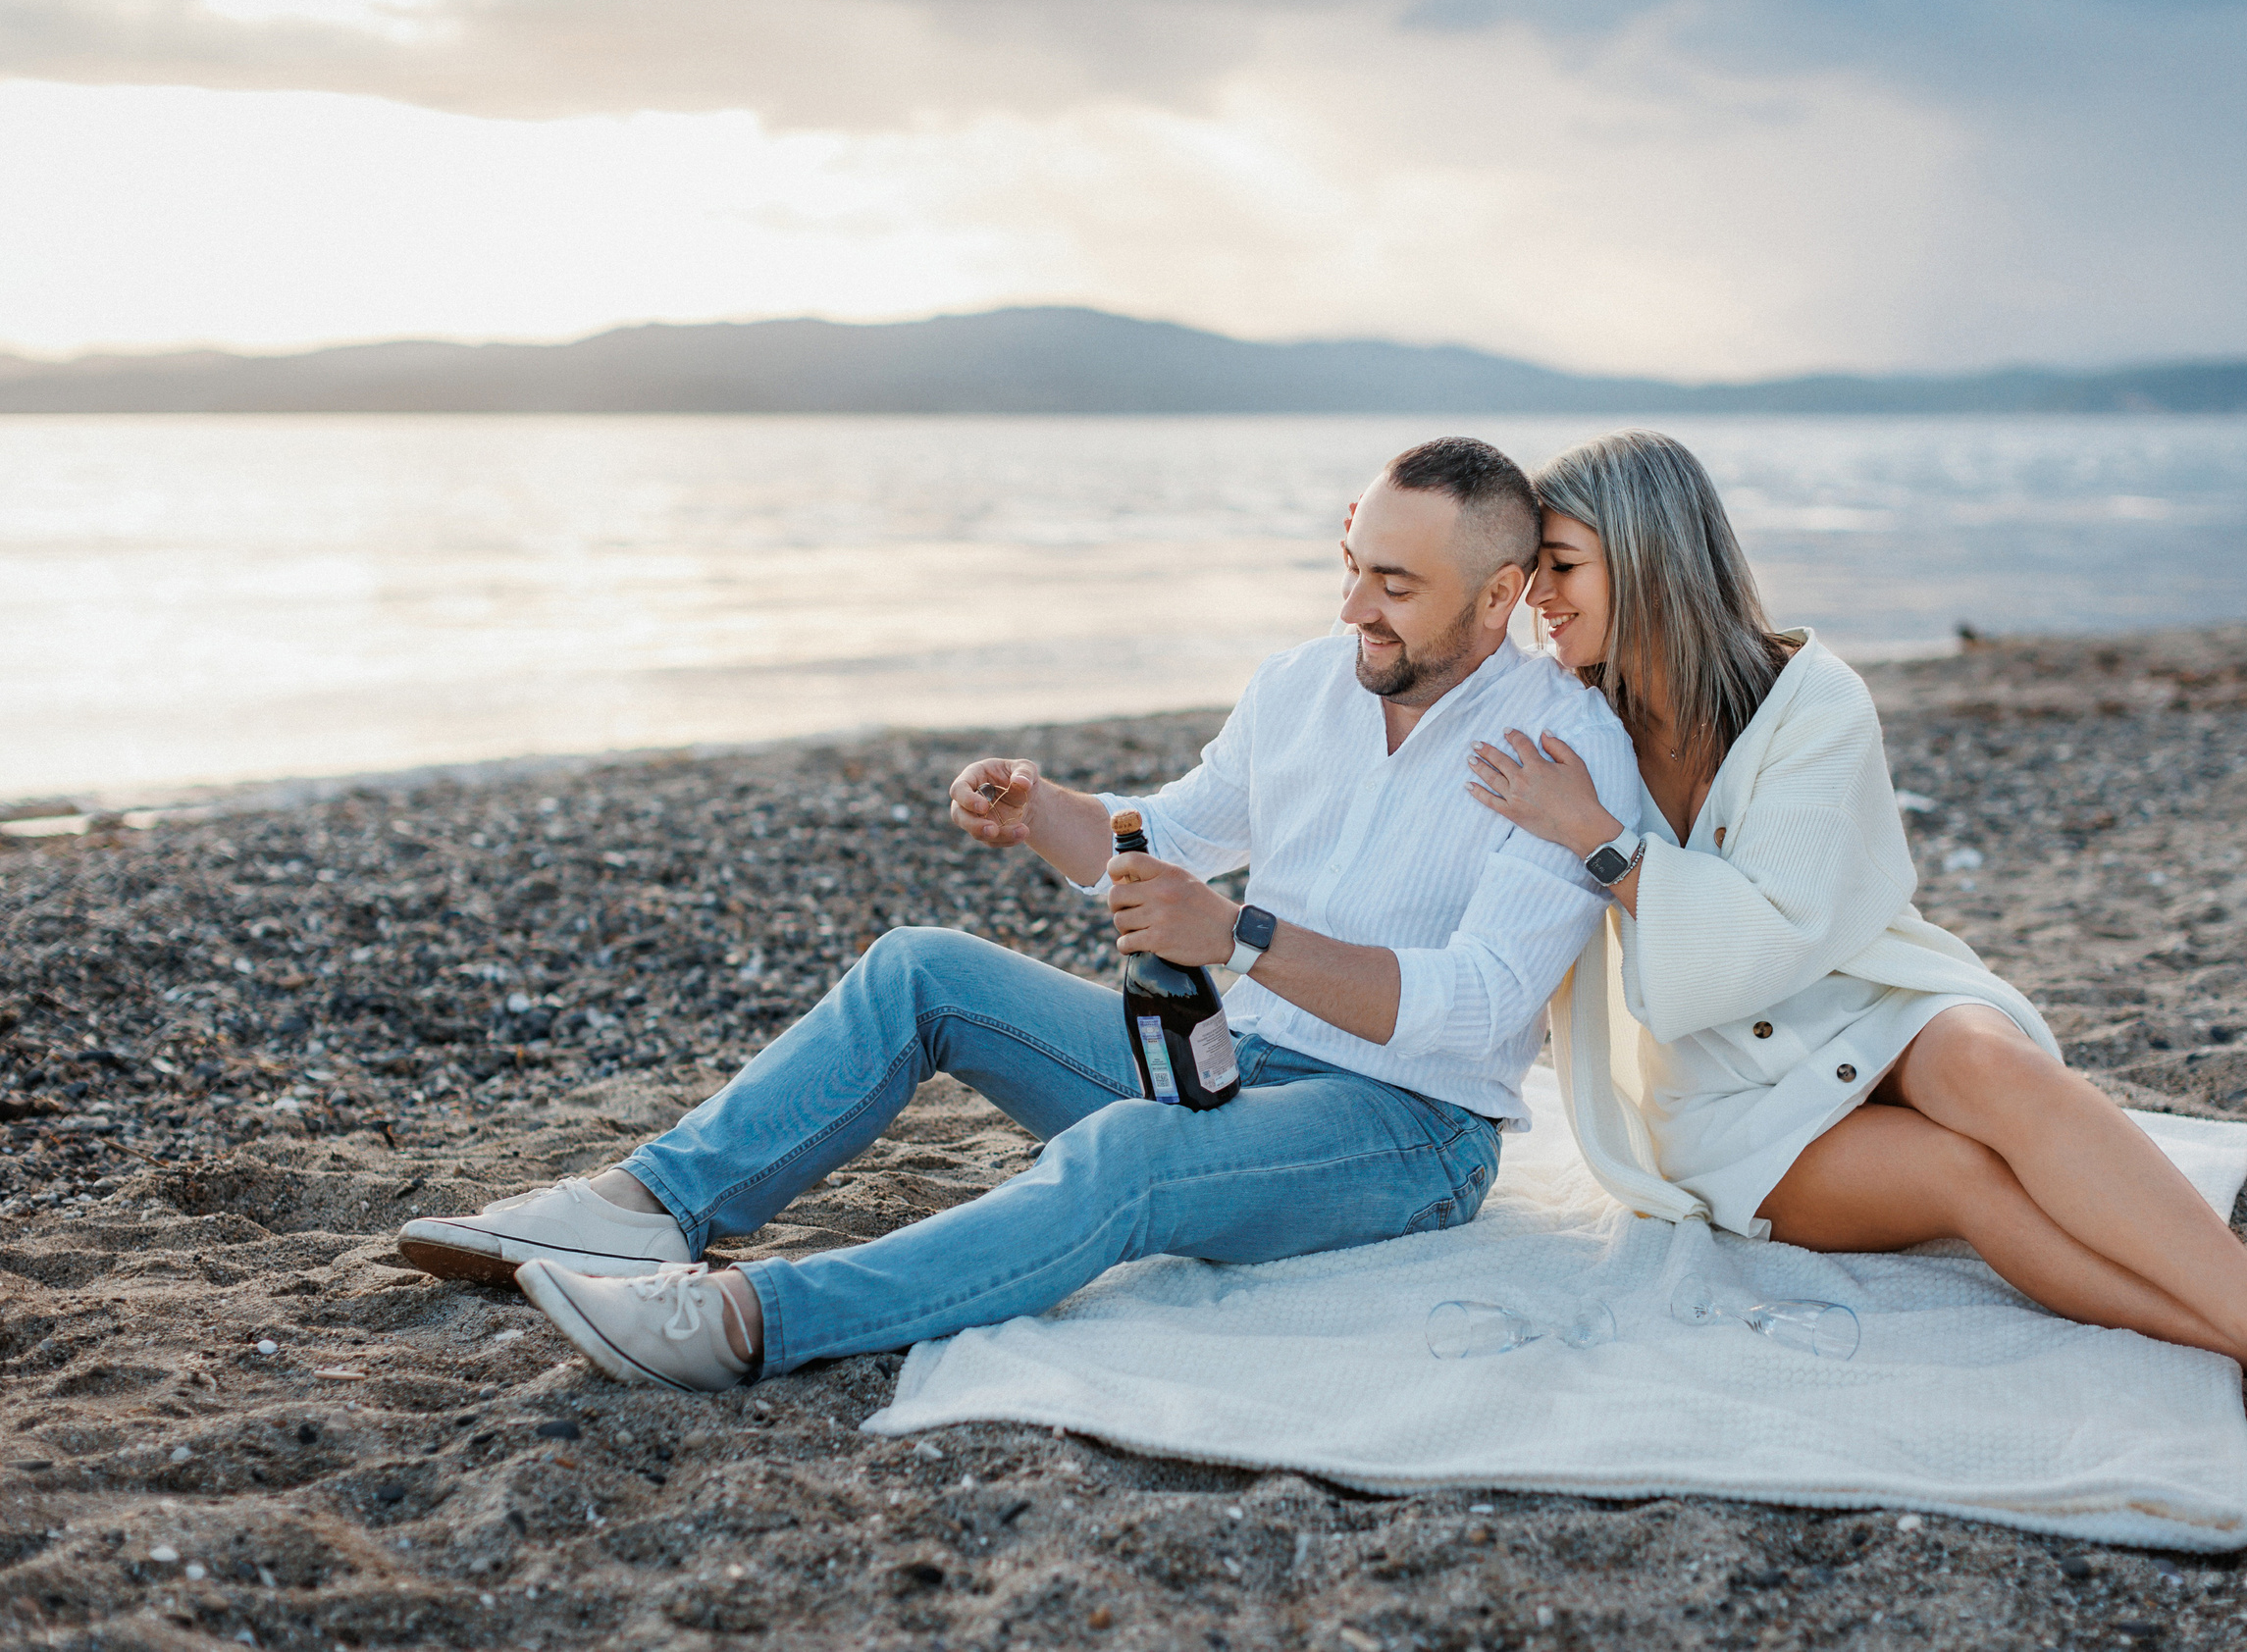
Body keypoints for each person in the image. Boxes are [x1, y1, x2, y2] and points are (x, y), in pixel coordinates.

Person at [395, 437, 1642, 1392]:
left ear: (1498, 597)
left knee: (1128, 1158)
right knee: (920, 970)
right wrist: (1040, 805)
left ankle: (749, 1322)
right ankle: (645, 1212)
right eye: (1349, 568)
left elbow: (1474, 1004)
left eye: (1395, 586)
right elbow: (1172, 835)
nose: (1352, 611)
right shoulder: (1306, 683)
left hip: (1405, 1130)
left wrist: (1240, 938)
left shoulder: (1565, 749)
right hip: (1232, 1063)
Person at [1464, 427, 2247, 1458]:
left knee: (1985, 1059)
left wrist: (1602, 844)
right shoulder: (1571, 720)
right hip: (1724, 1096)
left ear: (1651, 558)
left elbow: (1774, 937)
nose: (1540, 597)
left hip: (1860, 994)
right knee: (1967, 1178)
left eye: (1561, 566)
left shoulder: (1811, 704)